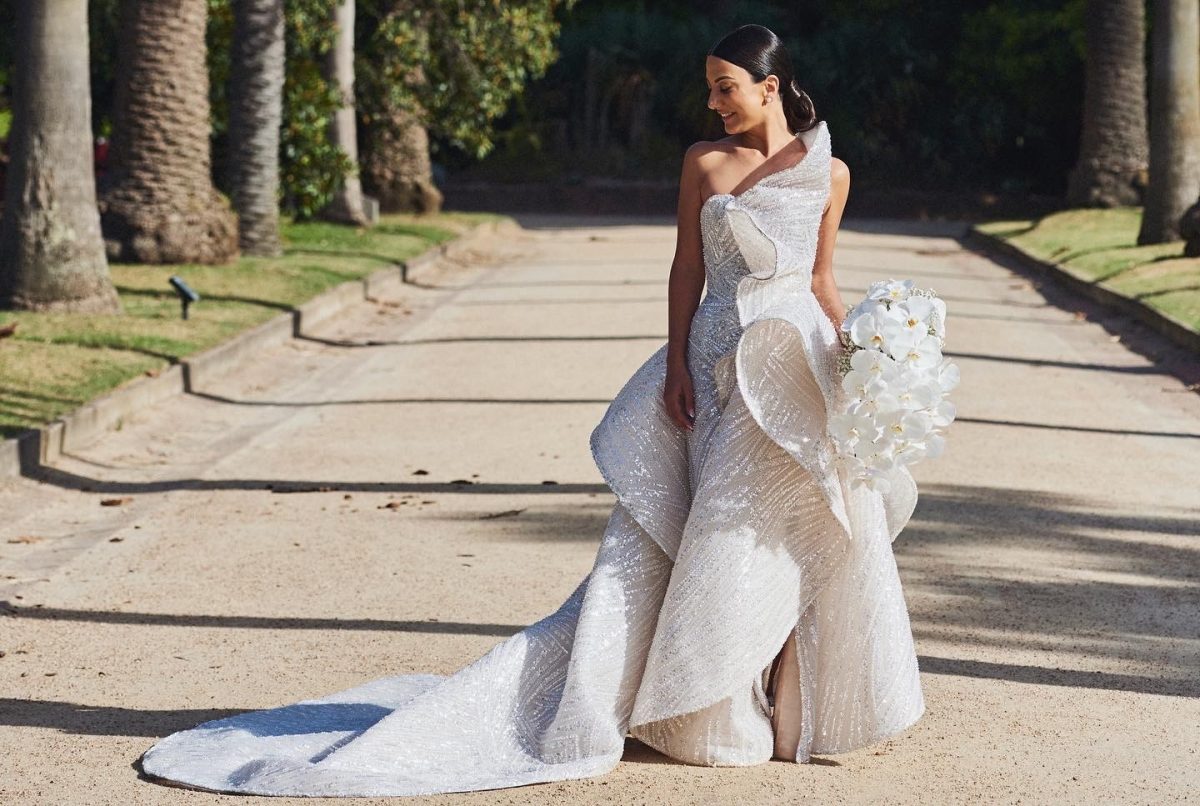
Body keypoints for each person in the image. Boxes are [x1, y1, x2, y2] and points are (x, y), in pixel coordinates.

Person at [139, 23, 923, 797]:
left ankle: (785, 709)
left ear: (769, 86)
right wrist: (677, 361)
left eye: (725, 87)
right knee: (705, 528)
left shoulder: (831, 172)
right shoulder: (702, 162)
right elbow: (686, 265)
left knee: (775, 531)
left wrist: (864, 357)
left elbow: (822, 281)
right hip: (715, 367)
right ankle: (701, 716)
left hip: (793, 375)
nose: (713, 102)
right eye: (709, 87)